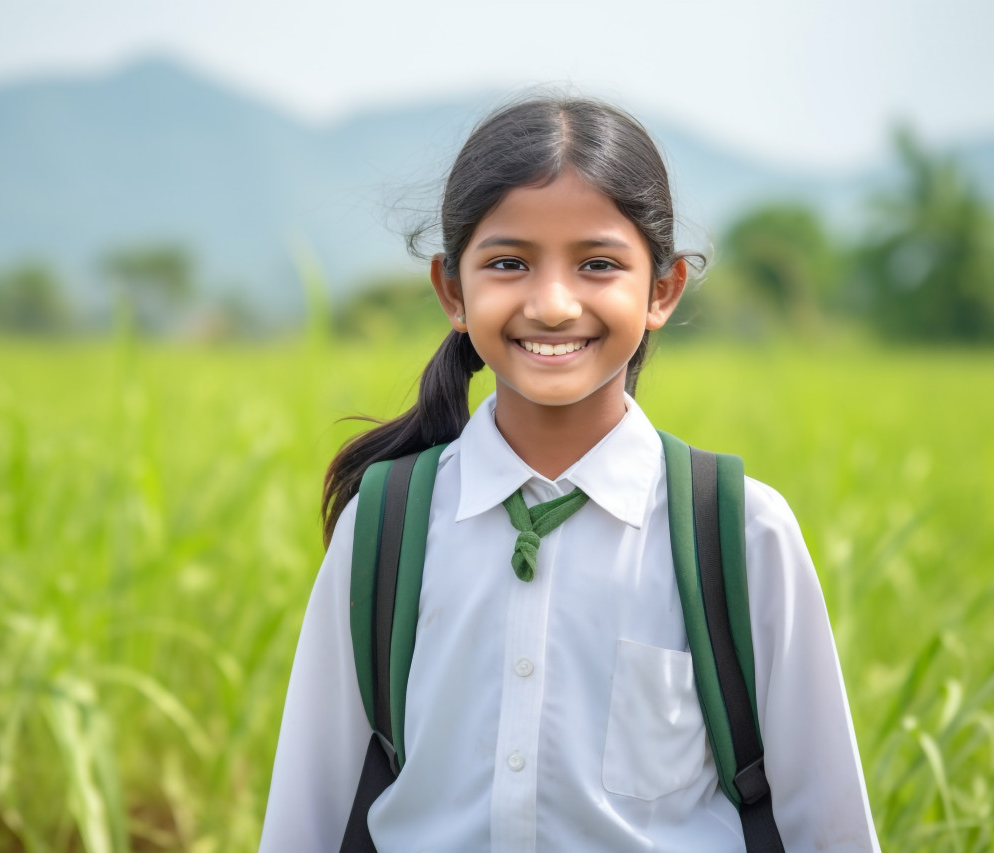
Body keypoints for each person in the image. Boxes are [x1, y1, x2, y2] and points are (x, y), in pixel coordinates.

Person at [258, 96, 879, 852]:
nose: (552, 305)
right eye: (509, 263)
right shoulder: (387, 525)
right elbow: (305, 817)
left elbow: (830, 825)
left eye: (598, 264)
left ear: (663, 289)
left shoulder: (740, 532)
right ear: (453, 291)